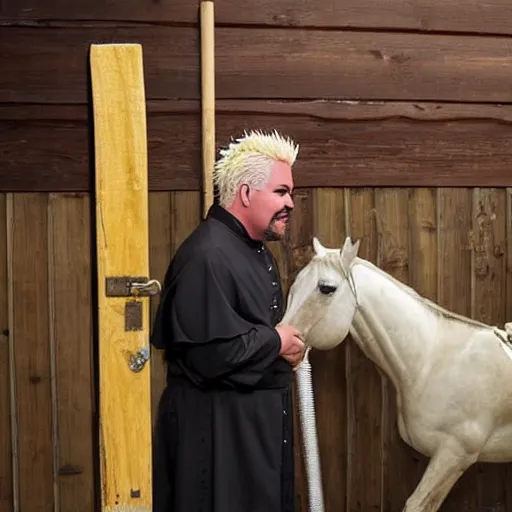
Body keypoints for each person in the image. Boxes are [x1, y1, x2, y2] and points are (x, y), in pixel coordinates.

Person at [150, 129, 305, 512]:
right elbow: (211, 356)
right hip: (217, 440)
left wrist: (283, 347)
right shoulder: (207, 254)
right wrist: (277, 342)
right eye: (281, 192)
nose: (291, 203)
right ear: (247, 194)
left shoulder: (252, 250)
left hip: (251, 436)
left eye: (290, 193)